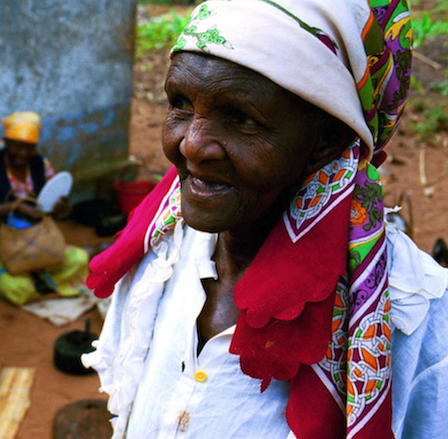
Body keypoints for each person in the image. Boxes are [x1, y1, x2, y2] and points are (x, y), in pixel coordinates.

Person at [82, 1, 448, 438]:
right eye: (180, 103)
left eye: (241, 118)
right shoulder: (163, 243)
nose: (192, 145)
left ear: (326, 140)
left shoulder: (415, 319)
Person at [0, 111, 90, 306]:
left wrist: (59, 207)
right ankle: (38, 278)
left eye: (29, 148)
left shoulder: (40, 164)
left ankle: (37, 277)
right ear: (6, 143)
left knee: (80, 259)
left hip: (35, 238)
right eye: (17, 146)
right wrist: (13, 207)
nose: (23, 154)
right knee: (17, 287)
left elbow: (52, 208)